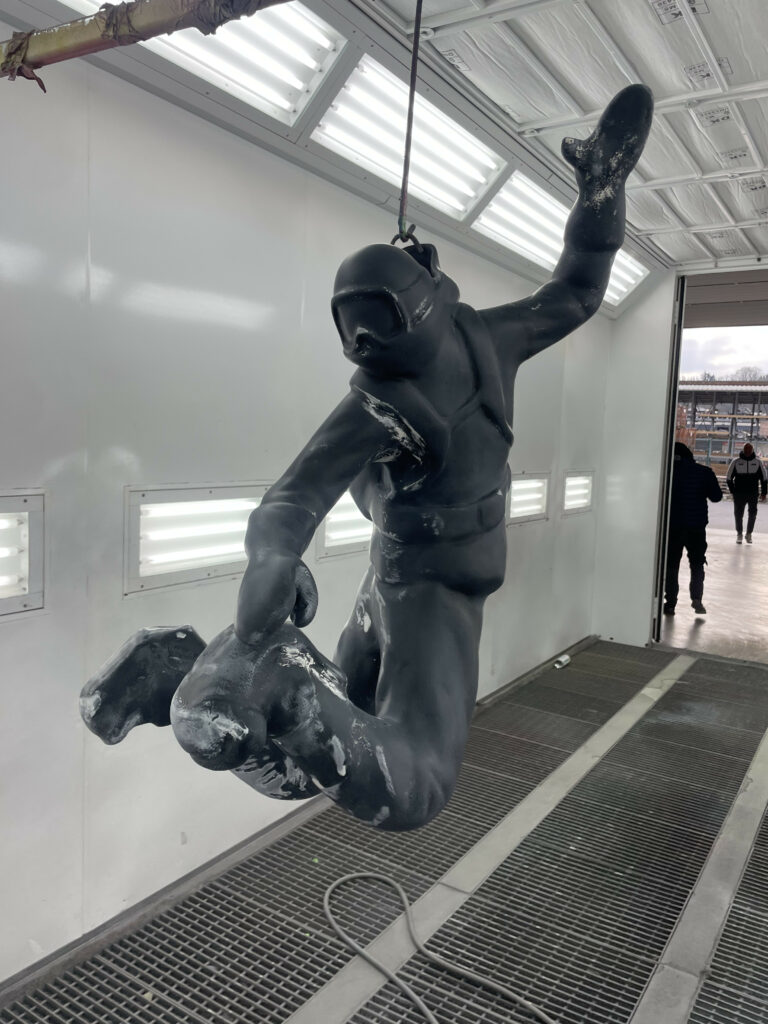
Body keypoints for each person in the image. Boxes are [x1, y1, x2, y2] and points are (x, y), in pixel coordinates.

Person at [81, 85, 654, 830]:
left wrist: (602, 189)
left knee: (329, 741)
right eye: (351, 334)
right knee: (414, 787)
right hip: (430, 591)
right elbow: (293, 498)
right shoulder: (439, 365)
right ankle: (269, 675)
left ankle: (185, 669)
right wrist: (602, 189)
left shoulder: (458, 355)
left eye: (369, 329)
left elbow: (576, 291)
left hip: (402, 574)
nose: (360, 346)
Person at [664, 441, 722, 617]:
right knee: (697, 564)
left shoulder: (666, 472)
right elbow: (716, 497)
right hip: (696, 528)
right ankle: (697, 599)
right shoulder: (703, 472)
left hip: (673, 527)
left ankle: (670, 603)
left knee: (671, 566)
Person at [726, 442, 767, 544]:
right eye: (746, 449)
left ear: (752, 450)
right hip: (739, 494)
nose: (748, 451)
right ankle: (739, 534)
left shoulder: (758, 462)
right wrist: (733, 491)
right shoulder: (736, 462)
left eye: (749, 449)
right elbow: (729, 477)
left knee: (752, 514)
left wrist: (764, 493)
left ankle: (749, 534)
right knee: (738, 515)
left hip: (753, 493)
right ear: (743, 450)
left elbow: (764, 479)